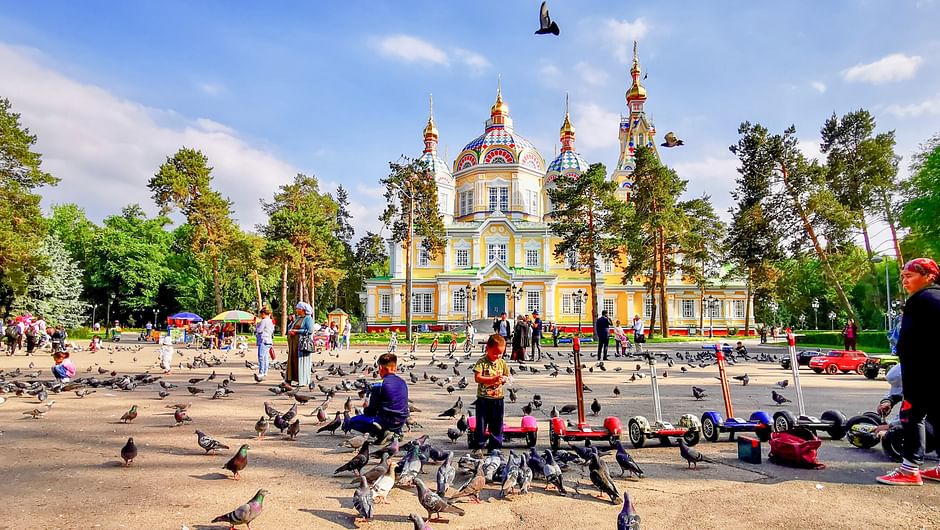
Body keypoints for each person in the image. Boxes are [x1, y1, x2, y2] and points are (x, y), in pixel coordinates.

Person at [876, 257, 940, 486]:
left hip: (922, 372)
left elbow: (914, 340)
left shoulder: (924, 299)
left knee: (912, 417)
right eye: (902, 276)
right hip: (931, 371)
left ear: (929, 276)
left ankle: (909, 469)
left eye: (909, 276)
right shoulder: (933, 297)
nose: (904, 280)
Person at [348, 353, 409, 444]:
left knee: (353, 421)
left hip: (387, 421)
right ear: (395, 368)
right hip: (401, 421)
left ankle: (382, 433)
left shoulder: (379, 384)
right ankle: (396, 432)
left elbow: (371, 411)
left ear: (380, 368)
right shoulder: (402, 382)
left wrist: (365, 409)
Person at [472, 334, 509, 454]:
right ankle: (478, 445)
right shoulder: (481, 362)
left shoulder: (502, 363)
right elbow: (477, 378)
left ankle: (495, 447)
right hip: (483, 399)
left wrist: (504, 379)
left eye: (500, 353)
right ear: (487, 348)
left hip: (498, 398)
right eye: (495, 353)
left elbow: (506, 376)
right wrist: (492, 379)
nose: (497, 356)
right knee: (481, 423)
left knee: (497, 424)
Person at [286, 302, 315, 386]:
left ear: (302, 310)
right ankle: (291, 378)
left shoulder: (308, 318)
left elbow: (310, 330)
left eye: (298, 309)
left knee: (301, 361)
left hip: (302, 344)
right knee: (294, 361)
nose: (296, 310)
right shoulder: (298, 318)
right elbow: (292, 327)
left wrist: (296, 331)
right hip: (294, 344)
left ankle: (303, 380)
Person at [254, 308, 275, 379]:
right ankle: (265, 371)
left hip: (263, 340)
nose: (260, 315)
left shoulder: (264, 321)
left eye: (260, 314)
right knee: (266, 357)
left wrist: (256, 325)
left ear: (263, 314)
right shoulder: (270, 321)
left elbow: (259, 330)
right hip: (269, 340)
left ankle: (261, 372)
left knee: (261, 357)